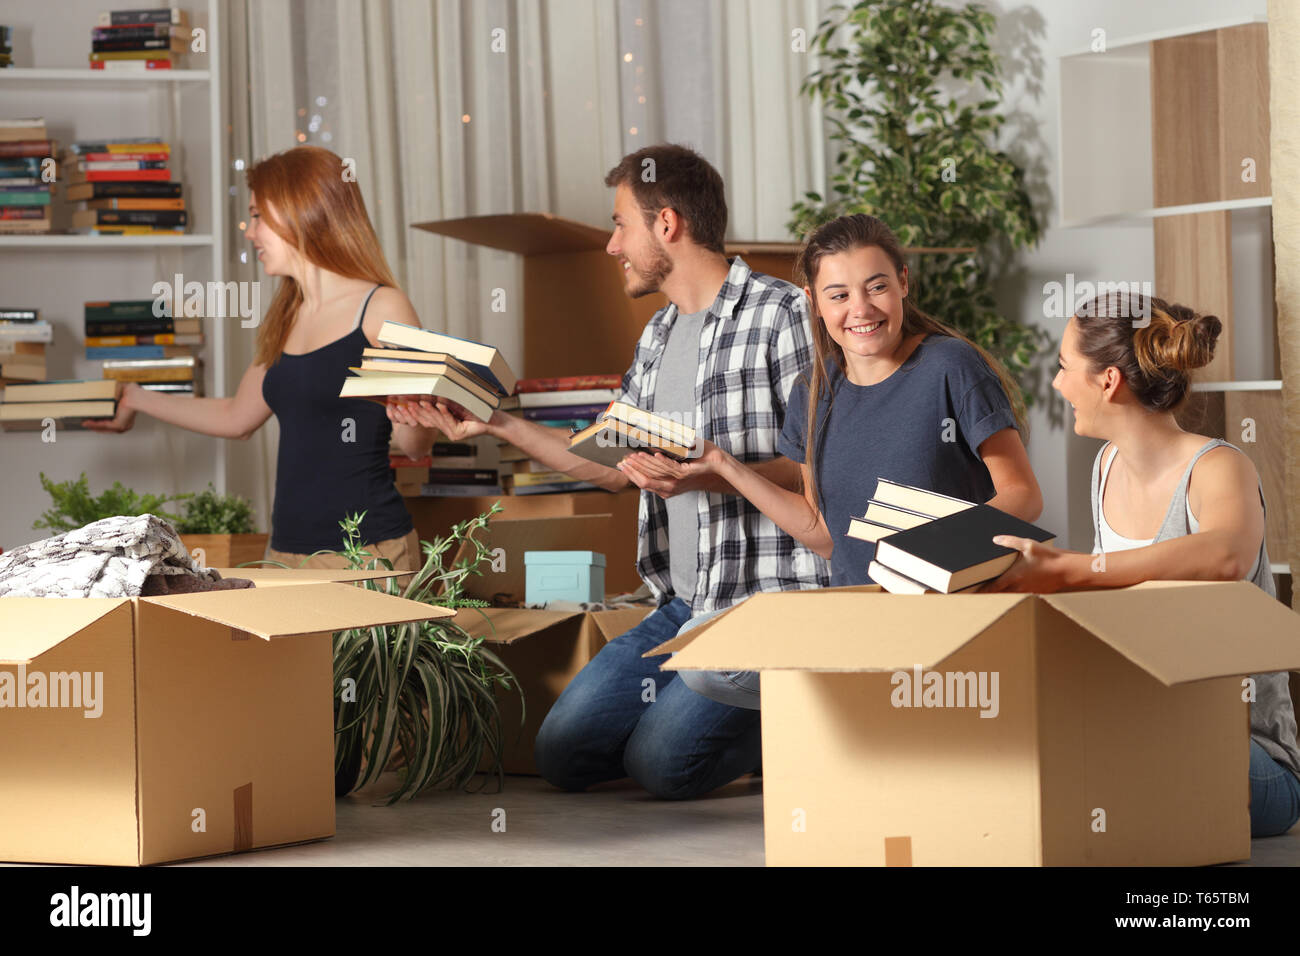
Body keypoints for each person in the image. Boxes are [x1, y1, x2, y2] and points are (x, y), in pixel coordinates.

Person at [413, 143, 829, 799]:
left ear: (667, 224)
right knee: (563, 753)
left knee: (663, 765)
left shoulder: (783, 314)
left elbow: (818, 470)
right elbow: (609, 468)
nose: (611, 245)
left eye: (619, 224)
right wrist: (496, 423)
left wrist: (710, 474)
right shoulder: (659, 334)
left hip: (761, 604)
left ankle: (802, 718)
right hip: (682, 603)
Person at [639, 213, 1043, 708]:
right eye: (839, 295)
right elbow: (823, 533)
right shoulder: (814, 390)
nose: (861, 309)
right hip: (859, 612)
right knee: (706, 647)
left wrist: (934, 549)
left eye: (877, 287)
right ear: (813, 302)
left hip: (945, 610)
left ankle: (852, 706)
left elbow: (1023, 496)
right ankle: (847, 705)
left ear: (903, 283)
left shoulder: (949, 365)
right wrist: (725, 465)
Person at [985, 291, 1300, 837]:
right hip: (1145, 728)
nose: (1057, 385)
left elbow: (1227, 555)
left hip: (1252, 764)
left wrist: (1073, 569)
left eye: (1064, 368)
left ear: (1107, 381)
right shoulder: (1106, 467)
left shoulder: (1219, 466)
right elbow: (1119, 597)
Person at [85, 145, 437, 576]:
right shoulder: (287, 313)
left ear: (300, 210)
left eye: (257, 215)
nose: (250, 233)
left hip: (367, 553)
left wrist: (420, 403)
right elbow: (237, 416)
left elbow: (414, 446)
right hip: (283, 554)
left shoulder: (383, 307)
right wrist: (136, 397)